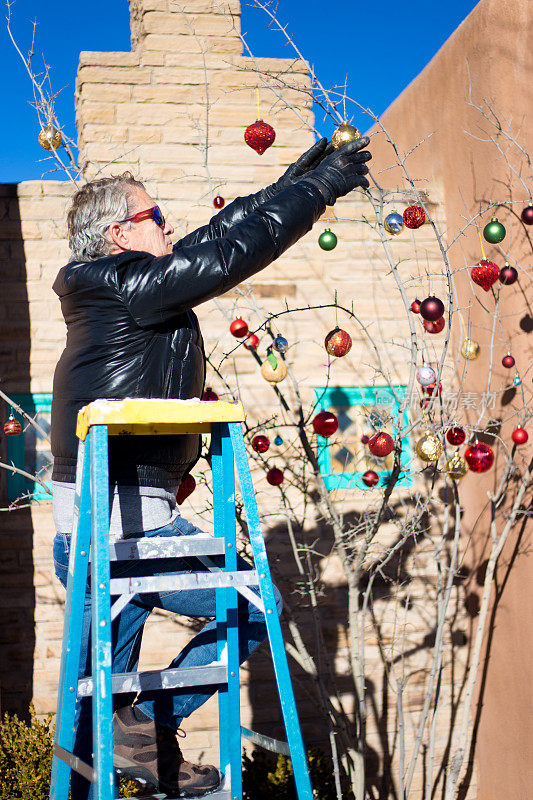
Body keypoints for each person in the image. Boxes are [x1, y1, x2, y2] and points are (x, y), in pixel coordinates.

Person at [50, 134, 371, 798]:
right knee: (256, 603)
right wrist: (320, 190)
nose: (168, 224)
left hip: (106, 531)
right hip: (122, 533)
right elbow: (228, 257)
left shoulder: (117, 286)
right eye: (154, 215)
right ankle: (146, 731)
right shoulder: (128, 287)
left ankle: (131, 735)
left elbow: (218, 234)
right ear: (119, 232)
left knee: (97, 723)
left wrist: (290, 181)